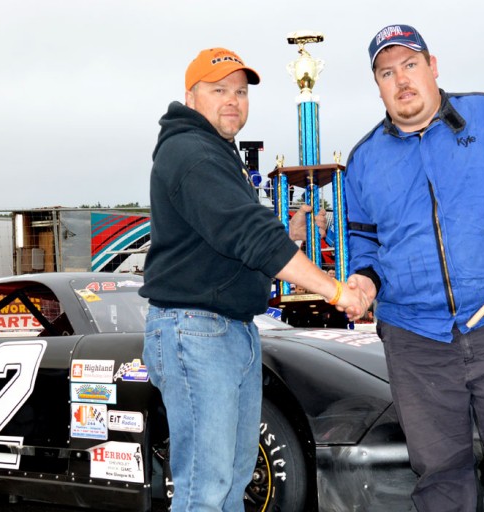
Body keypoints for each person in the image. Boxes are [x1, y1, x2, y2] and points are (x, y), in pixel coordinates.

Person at [343, 25, 484, 511]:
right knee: (441, 480)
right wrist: (364, 277)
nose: (401, 80)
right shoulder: (364, 160)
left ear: (433, 67)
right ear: (378, 85)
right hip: (415, 340)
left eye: (410, 65)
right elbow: (363, 241)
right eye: (387, 72)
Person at [139, 47, 368, 511]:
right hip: (197, 331)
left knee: (231, 481)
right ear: (191, 96)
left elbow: (227, 239)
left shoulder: (215, 153)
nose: (232, 100)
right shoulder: (192, 152)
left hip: (228, 329)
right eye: (219, 90)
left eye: (240, 92)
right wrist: (336, 290)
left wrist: (290, 234)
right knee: (206, 488)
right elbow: (249, 235)